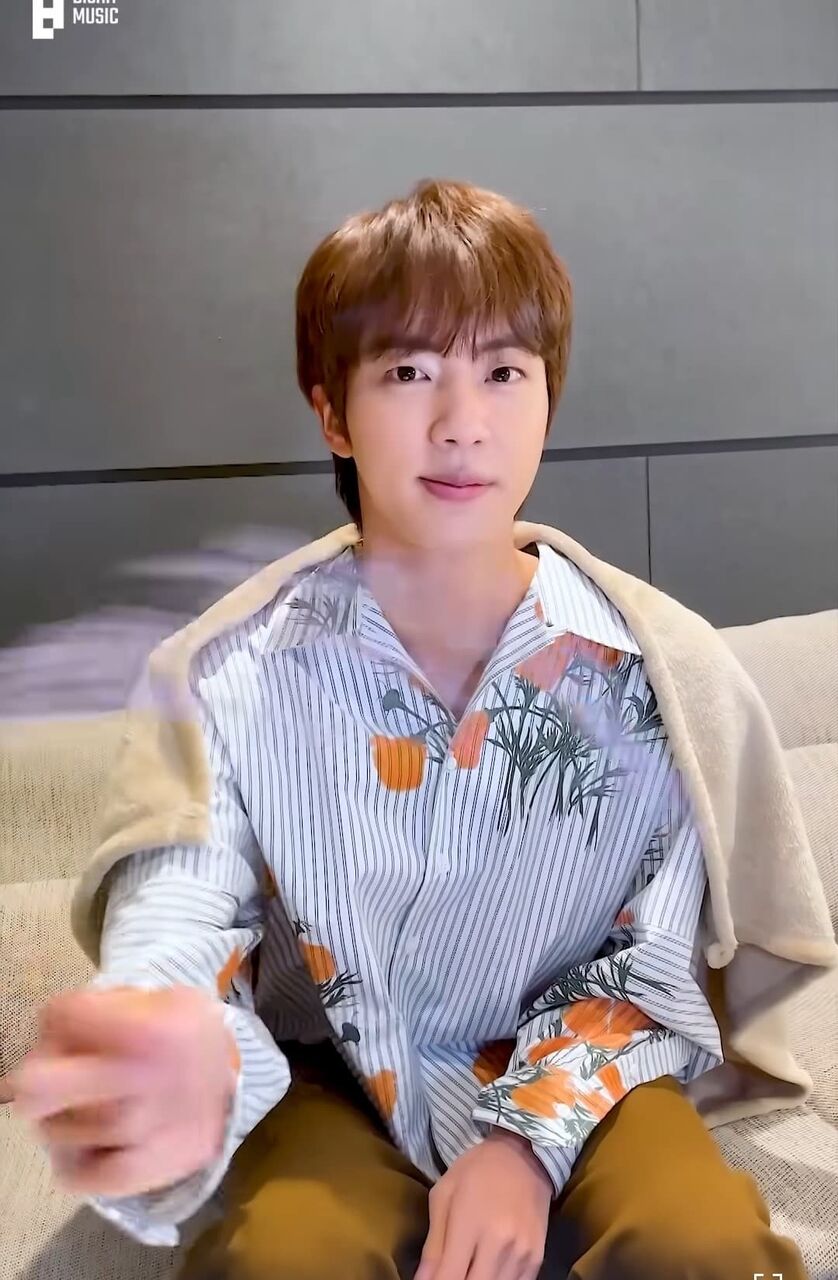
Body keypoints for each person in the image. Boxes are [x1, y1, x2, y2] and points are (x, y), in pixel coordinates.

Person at [10, 178, 821, 1280]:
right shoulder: (229, 674)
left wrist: (522, 1145)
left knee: (702, 1247)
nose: (462, 422)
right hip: (325, 1080)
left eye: (504, 372)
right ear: (332, 412)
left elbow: (652, 961)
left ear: (547, 399)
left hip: (586, 1073)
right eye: (408, 372)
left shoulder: (651, 669)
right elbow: (185, 911)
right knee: (284, 1260)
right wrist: (162, 1032)